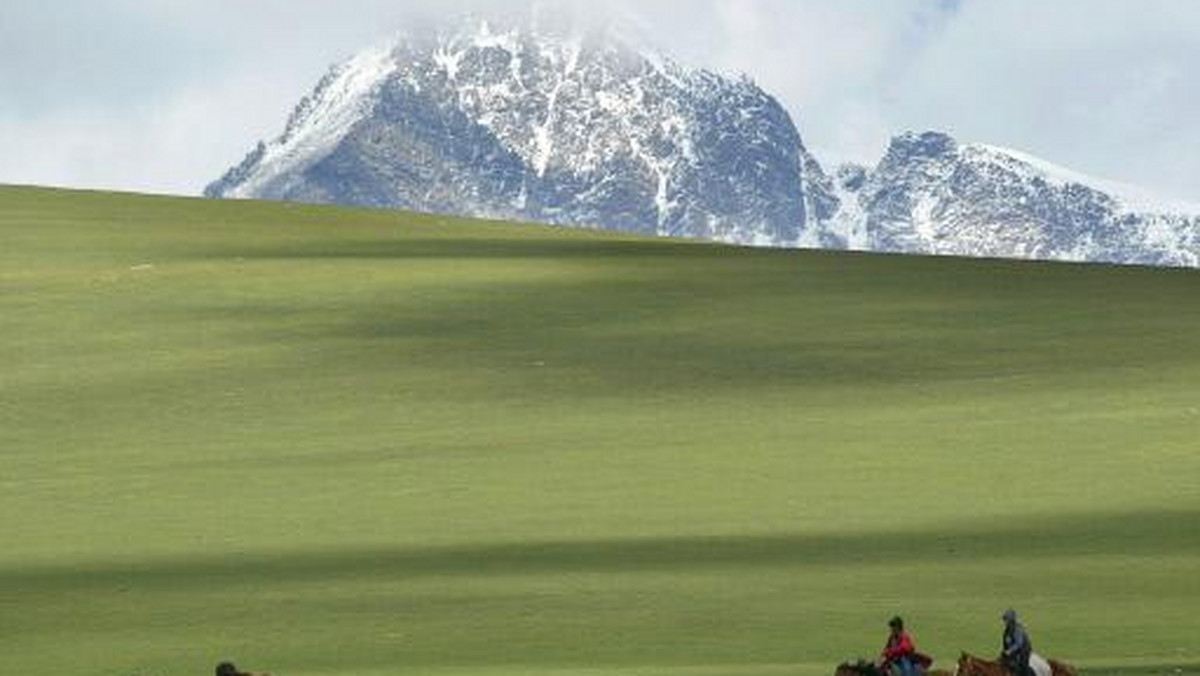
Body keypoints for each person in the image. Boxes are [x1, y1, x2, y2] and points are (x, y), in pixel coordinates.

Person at [1000, 609, 1034, 676]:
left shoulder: (1017, 629)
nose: (1005, 622)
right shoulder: (1007, 630)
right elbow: (1006, 644)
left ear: (1011, 620)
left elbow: (1018, 644)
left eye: (1006, 619)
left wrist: (1009, 651)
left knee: (1022, 667)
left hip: (1023, 652)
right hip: (1014, 652)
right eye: (1004, 619)